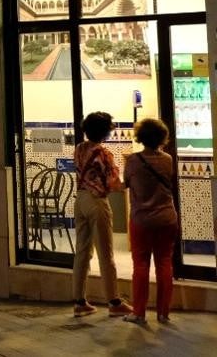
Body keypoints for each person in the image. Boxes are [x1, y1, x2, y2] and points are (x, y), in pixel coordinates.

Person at [72, 111, 134, 317]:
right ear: (106, 131)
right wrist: (129, 183)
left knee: (82, 252)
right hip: (97, 202)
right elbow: (113, 183)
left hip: (79, 199)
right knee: (106, 254)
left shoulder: (79, 149)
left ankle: (79, 301)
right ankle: (114, 301)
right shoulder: (104, 153)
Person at [122, 117, 178, 325]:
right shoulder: (167, 160)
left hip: (142, 220)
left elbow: (126, 183)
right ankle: (163, 313)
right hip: (166, 218)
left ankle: (139, 313)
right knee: (164, 262)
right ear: (162, 137)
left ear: (140, 137)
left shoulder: (133, 161)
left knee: (141, 265)